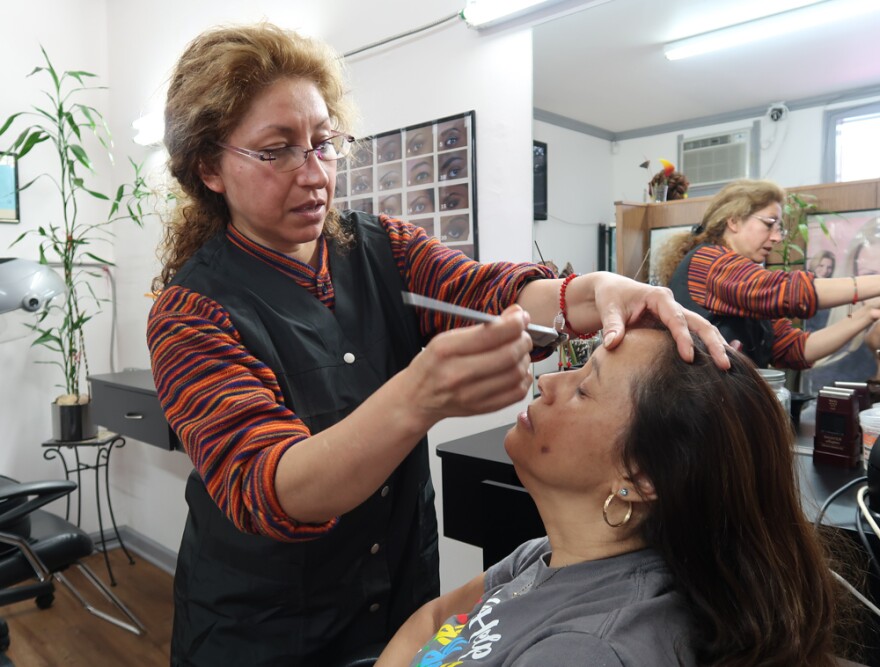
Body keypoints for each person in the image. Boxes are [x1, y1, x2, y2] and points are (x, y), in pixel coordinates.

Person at [147, 22, 727, 666]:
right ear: (210, 167)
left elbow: (483, 294)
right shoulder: (191, 314)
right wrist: (416, 398)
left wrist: (594, 292)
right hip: (265, 630)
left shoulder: (381, 247)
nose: (313, 173)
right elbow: (270, 485)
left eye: (323, 143)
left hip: (396, 596)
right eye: (277, 150)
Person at [377, 327, 841, 667]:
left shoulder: (589, 650)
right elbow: (433, 617)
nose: (547, 382)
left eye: (582, 388)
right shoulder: (543, 558)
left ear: (639, 478)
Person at [655, 179, 880, 370]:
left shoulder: (746, 283)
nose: (777, 237)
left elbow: (796, 349)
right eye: (770, 224)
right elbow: (787, 291)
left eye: (778, 228)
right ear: (733, 221)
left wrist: (867, 313)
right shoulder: (708, 262)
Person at [805, 249, 837, 332]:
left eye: (829, 267)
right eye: (821, 265)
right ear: (814, 265)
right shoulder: (805, 285)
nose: (825, 271)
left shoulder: (832, 288)